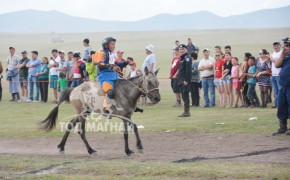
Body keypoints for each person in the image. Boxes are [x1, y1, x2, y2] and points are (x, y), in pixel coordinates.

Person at [94, 37, 120, 111]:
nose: (114, 46)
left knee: (124, 86)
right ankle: (106, 109)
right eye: (112, 44)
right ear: (106, 45)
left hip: (114, 75)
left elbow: (118, 63)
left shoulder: (113, 54)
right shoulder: (101, 53)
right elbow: (99, 64)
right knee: (110, 92)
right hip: (104, 76)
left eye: (114, 44)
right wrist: (110, 66)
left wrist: (126, 62)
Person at [272, 37, 290, 135]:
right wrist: (282, 55)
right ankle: (283, 127)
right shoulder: (285, 55)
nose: (286, 47)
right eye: (285, 45)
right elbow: (277, 65)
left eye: (287, 45)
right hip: (283, 85)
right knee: (281, 105)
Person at [177, 44, 192, 117]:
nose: (181, 50)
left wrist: (186, 80)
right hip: (181, 80)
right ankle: (186, 112)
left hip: (184, 81)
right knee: (183, 96)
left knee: (185, 96)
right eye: (180, 49)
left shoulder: (187, 58)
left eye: (183, 49)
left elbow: (188, 71)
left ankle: (186, 112)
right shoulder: (182, 58)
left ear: (186, 49)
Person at [270, 42, 282, 108]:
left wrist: (272, 58)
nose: (276, 46)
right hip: (273, 74)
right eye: (274, 45)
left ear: (280, 46)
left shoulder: (281, 53)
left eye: (277, 45)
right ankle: (276, 104)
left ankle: (280, 104)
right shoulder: (274, 53)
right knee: (275, 91)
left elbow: (276, 62)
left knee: (280, 90)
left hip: (279, 74)